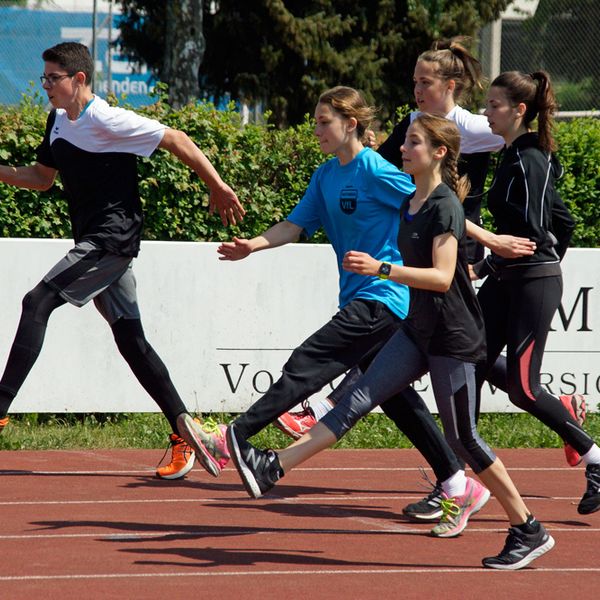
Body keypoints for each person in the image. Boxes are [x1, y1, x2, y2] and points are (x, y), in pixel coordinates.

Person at [227, 113, 556, 570]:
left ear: (439, 153)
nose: (403, 148)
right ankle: (274, 467)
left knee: (463, 438)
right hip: (416, 330)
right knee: (356, 398)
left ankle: (527, 527)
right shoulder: (410, 203)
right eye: (405, 142)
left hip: (451, 338)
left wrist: (381, 269)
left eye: (414, 143)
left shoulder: (443, 204)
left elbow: (442, 278)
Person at [276, 37, 586, 485]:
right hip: (443, 250)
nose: (417, 89)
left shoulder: (476, 128)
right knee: (462, 354)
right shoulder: (414, 123)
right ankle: (461, 476)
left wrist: (503, 247)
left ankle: (344, 413)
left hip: (461, 252)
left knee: (453, 350)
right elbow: (383, 174)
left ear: (450, 85)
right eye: (414, 81)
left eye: (425, 82)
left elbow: (528, 173)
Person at [194, 85, 491, 534]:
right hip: (360, 297)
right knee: (394, 398)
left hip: (386, 299)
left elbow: (434, 203)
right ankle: (456, 480)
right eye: (315, 121)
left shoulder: (375, 169)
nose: (316, 130)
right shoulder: (326, 176)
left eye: (323, 122)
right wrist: (252, 246)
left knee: (309, 360)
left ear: (350, 124)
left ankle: (234, 436)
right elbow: (295, 225)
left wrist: (487, 240)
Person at [0, 42, 241, 476]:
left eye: (53, 78)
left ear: (78, 80)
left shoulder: (107, 119)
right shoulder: (56, 122)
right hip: (100, 244)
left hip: (110, 242)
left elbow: (177, 139)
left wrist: (217, 187)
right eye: (43, 78)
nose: (45, 87)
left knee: (37, 302)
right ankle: (187, 433)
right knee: (132, 341)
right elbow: (40, 178)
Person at [466, 70, 600, 515]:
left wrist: (505, 263)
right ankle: (461, 477)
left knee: (523, 390)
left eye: (494, 105)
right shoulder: (515, 156)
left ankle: (595, 457)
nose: (486, 111)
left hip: (528, 283)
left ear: (518, 111)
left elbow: (533, 230)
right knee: (469, 360)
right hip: (513, 278)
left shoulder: (530, 161)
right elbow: (562, 224)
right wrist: (510, 261)